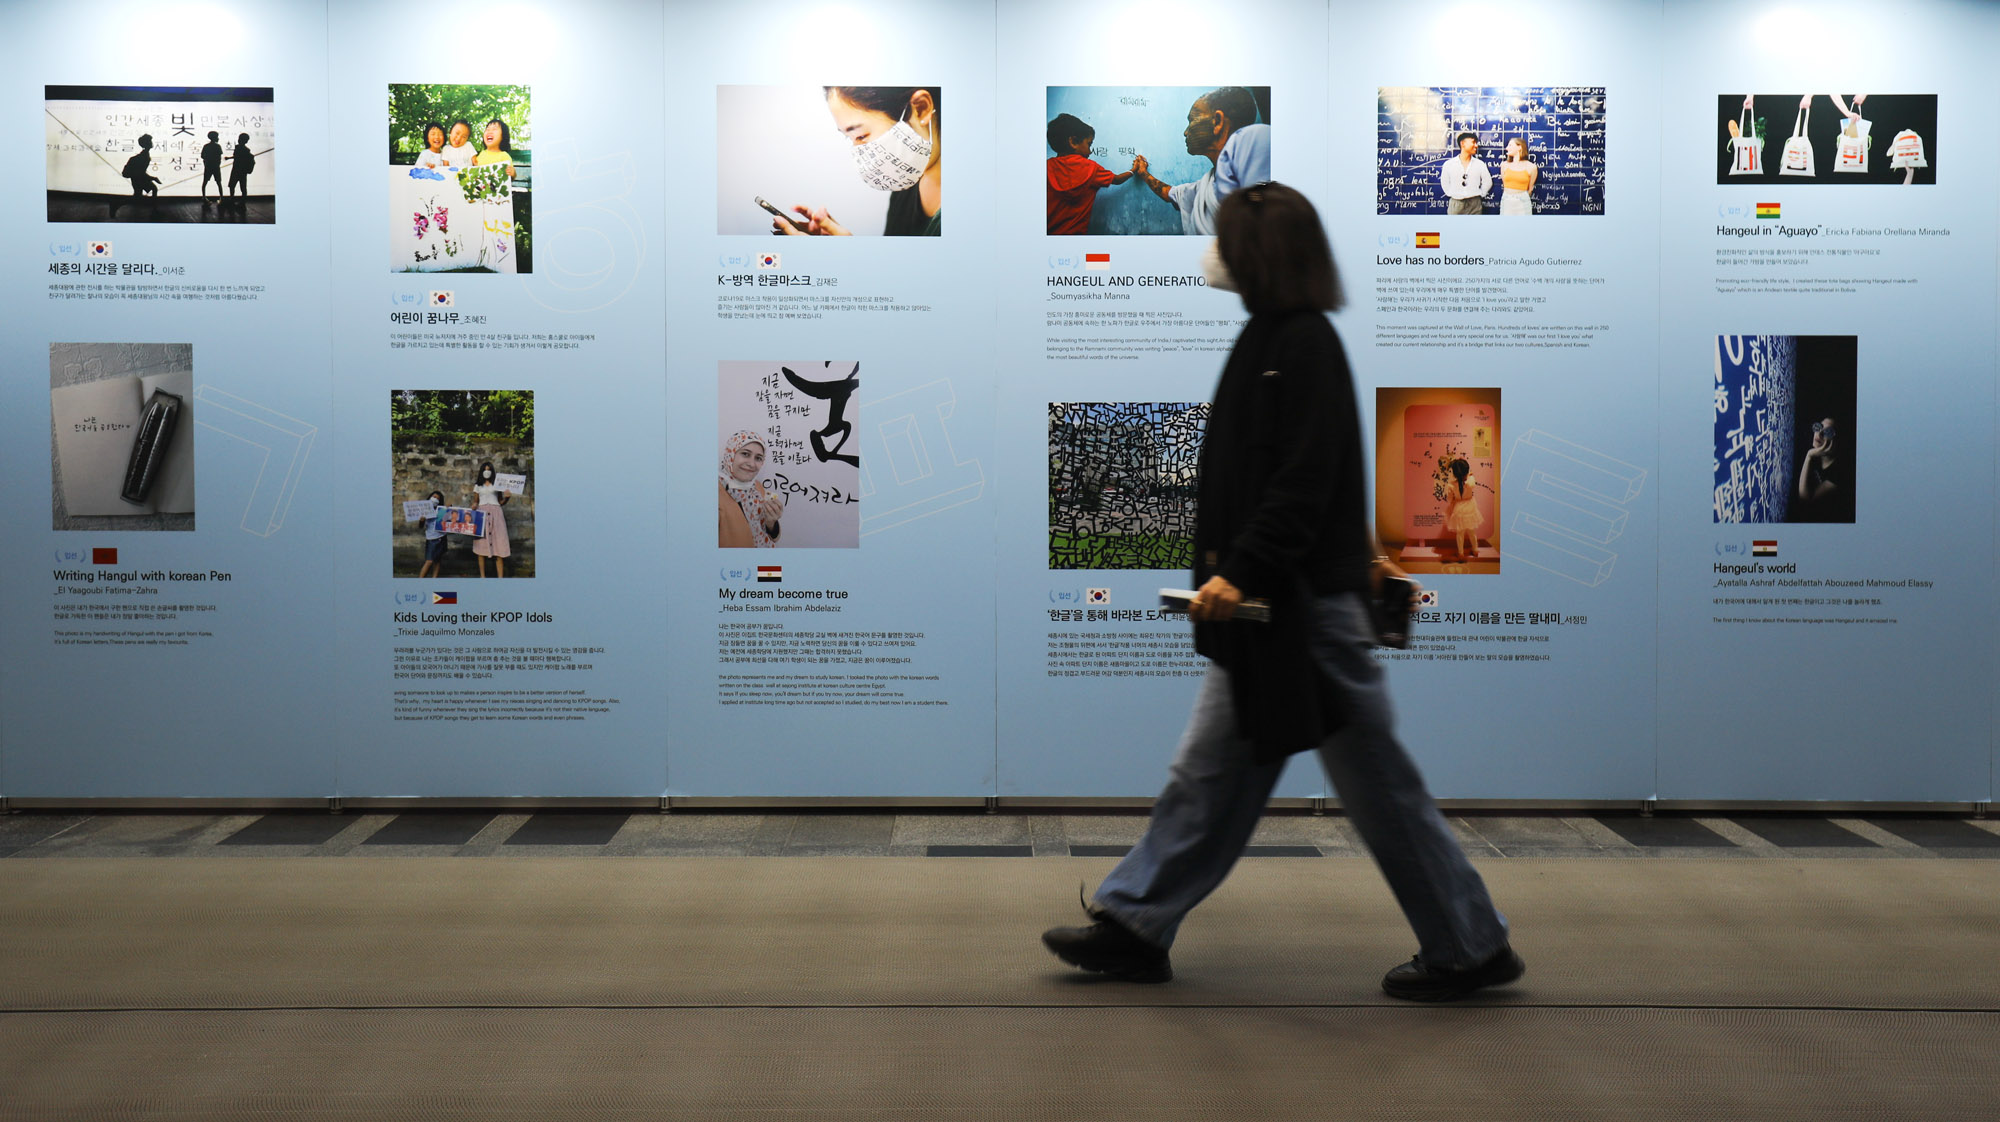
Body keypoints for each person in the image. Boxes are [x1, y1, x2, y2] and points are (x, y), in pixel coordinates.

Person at [1040, 182, 1522, 1001]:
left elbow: (1301, 481)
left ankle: (1470, 945)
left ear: (1255, 255)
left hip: (1304, 617)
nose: (1207, 252)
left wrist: (1243, 570)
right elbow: (1308, 476)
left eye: (1220, 238)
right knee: (1211, 774)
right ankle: (1134, 921)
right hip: (1279, 612)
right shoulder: (1274, 337)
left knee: (1377, 789)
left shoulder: (1300, 344)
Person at [775, 87, 941, 237]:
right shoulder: (907, 179)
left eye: (861, 136)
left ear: (921, 108)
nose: (860, 152)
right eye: (850, 139)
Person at [1128, 86, 1270, 235]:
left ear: (1217, 121)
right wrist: (1143, 173)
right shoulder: (1205, 185)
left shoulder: (1260, 146)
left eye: (1192, 120)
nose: (1185, 132)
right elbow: (1170, 193)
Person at [1046, 112, 1133, 235]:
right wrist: (1133, 170)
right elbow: (1117, 179)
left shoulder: (1046, 167)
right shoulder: (1090, 169)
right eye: (1089, 144)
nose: (1090, 151)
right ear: (1074, 142)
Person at [718, 430, 785, 547]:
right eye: (745, 454)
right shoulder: (714, 495)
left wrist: (771, 523)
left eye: (758, 458)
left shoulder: (757, 487)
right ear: (730, 454)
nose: (752, 464)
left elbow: (771, 536)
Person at [1794, 418, 1849, 521]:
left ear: (1837, 441)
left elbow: (1805, 501)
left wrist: (1809, 456)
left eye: (1828, 432)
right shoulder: (1817, 457)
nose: (1819, 434)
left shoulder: (1840, 473)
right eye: (1819, 427)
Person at [470, 461, 511, 578]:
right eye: (484, 469)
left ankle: (500, 578)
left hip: (496, 513)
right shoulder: (477, 486)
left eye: (489, 469)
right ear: (481, 471)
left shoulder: (497, 484)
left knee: (499, 543)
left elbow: (500, 501)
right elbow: (475, 501)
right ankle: (482, 577)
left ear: (492, 471)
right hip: (481, 514)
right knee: (481, 544)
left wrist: (507, 499)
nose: (486, 472)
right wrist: (474, 505)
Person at [110, 133, 160, 218]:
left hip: (137, 178)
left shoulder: (144, 155)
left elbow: (141, 172)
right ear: (147, 144)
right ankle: (154, 211)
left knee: (137, 196)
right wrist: (152, 178)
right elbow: (141, 172)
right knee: (150, 190)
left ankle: (116, 204)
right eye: (150, 141)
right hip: (138, 179)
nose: (151, 143)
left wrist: (151, 178)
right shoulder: (144, 156)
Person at [1442, 458, 1482, 560]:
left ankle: (1460, 553)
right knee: (1472, 531)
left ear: (1455, 473)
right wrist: (1469, 475)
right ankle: (1475, 550)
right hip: (1470, 506)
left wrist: (1453, 502)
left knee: (1460, 533)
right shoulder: (1471, 480)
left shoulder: (1451, 485)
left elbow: (1450, 499)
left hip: (1459, 508)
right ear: (1466, 471)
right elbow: (1470, 482)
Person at [1441, 132, 1490, 214]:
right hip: (1456, 204)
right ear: (1463, 144)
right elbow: (1445, 183)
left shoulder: (1480, 164)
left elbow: (1487, 181)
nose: (1476, 145)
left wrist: (1480, 194)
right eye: (1473, 142)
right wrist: (1453, 194)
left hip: (1475, 205)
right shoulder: (1449, 164)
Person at [1498, 137, 1536, 215]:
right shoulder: (1504, 165)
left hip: (1523, 201)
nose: (1507, 148)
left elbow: (1530, 189)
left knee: (1524, 226)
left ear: (1519, 147)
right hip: (1506, 200)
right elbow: (1505, 184)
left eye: (1510, 145)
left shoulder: (1531, 167)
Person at [417, 490, 449, 578]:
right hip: (432, 539)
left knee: (438, 560)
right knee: (429, 561)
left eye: (437, 498)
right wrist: (421, 520)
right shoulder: (424, 510)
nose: (435, 499)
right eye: (434, 497)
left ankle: (434, 579)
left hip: (442, 537)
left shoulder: (442, 510)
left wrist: (448, 509)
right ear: (430, 497)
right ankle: (420, 581)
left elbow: (448, 522)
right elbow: (420, 526)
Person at [227, 132, 255, 205]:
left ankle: (233, 198)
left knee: (234, 185)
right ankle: (241, 200)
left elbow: (236, 157)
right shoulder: (245, 150)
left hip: (237, 169)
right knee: (240, 186)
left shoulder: (241, 149)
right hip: (241, 170)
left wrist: (229, 158)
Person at [199, 131, 224, 204]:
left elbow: (202, 156)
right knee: (219, 182)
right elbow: (219, 157)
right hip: (216, 167)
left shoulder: (206, 146)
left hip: (208, 166)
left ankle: (204, 197)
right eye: (217, 137)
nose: (218, 138)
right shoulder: (218, 146)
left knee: (205, 182)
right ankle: (221, 198)